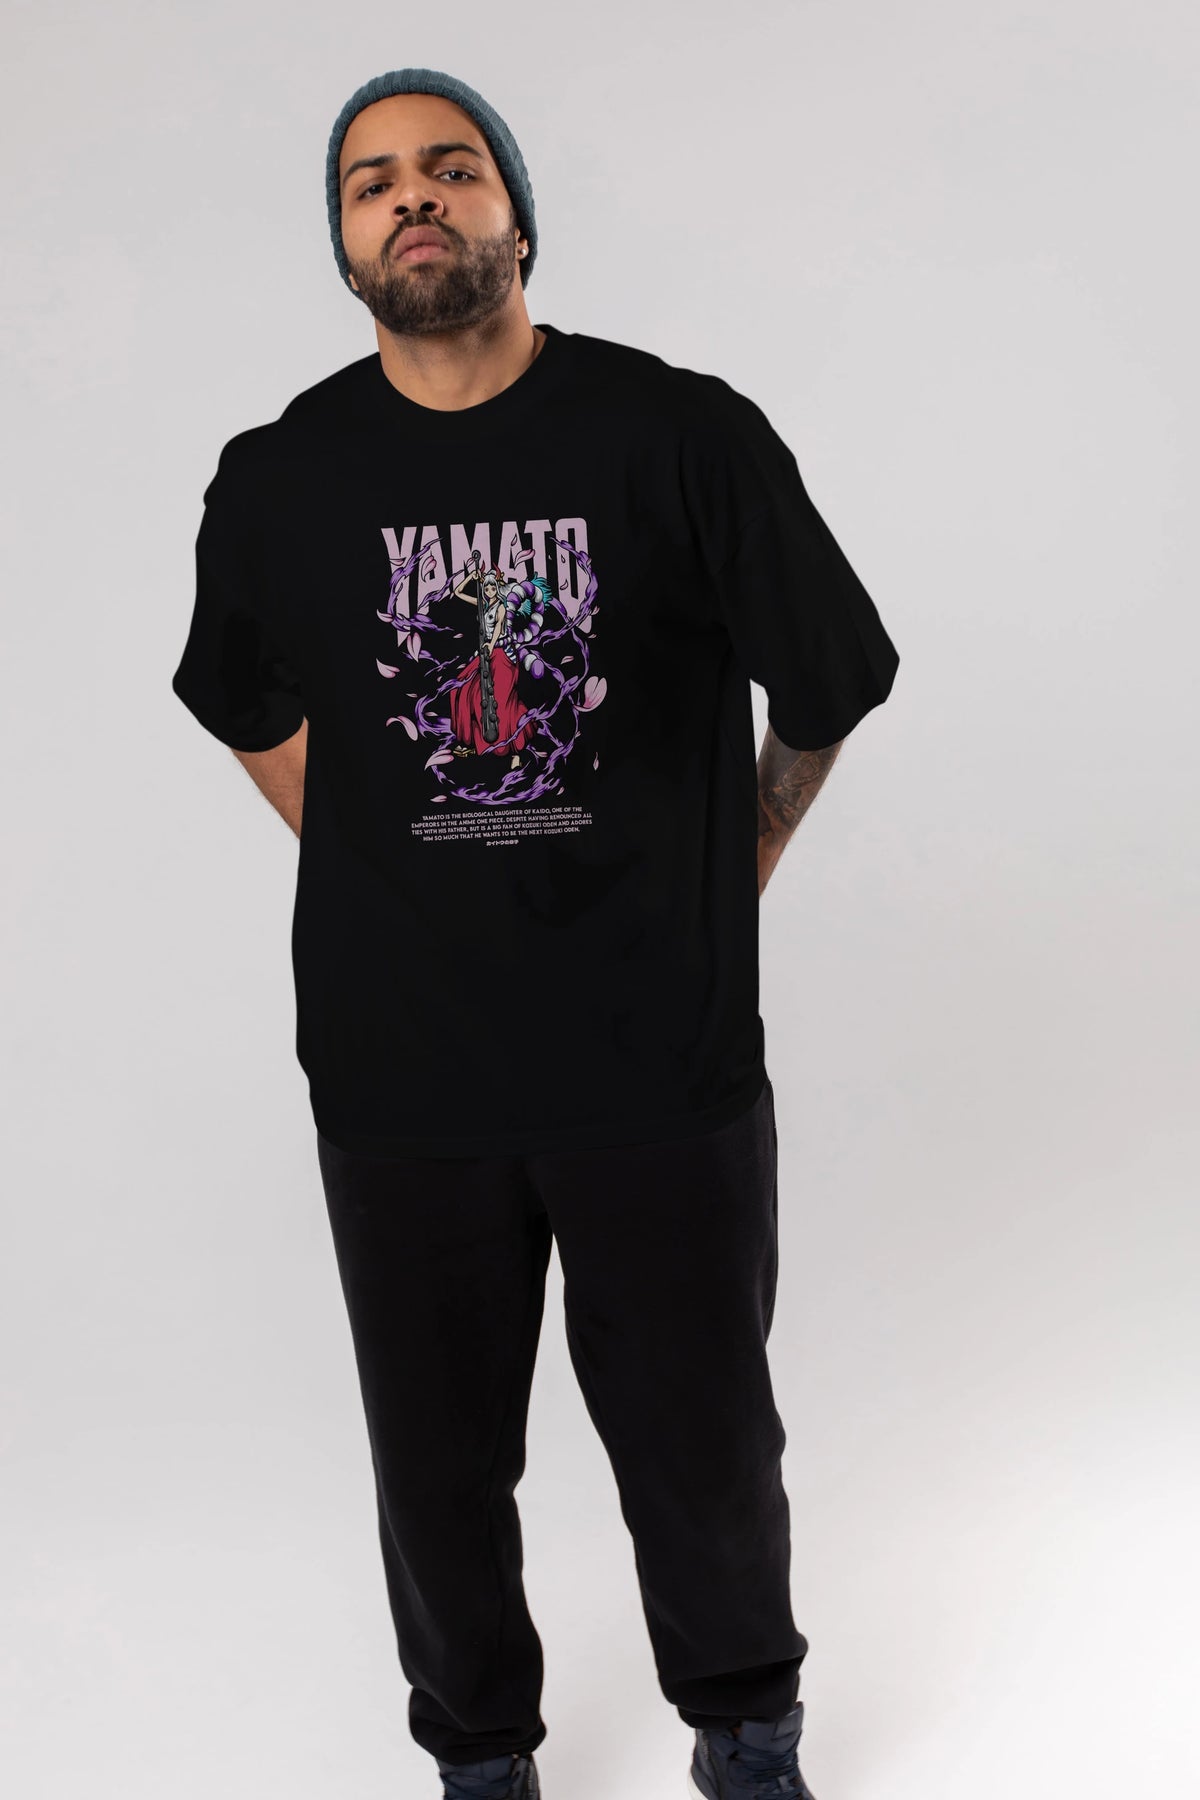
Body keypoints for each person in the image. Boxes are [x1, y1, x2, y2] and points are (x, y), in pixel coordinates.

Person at [170, 66, 900, 1800]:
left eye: (452, 167)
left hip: (659, 1056)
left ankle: (747, 1731)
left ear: (516, 213)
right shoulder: (280, 477)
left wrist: (746, 853)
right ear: (344, 243)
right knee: (435, 1468)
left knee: (704, 1441)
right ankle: (481, 1758)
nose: (413, 197)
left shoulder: (680, 436)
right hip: (402, 1070)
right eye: (372, 183)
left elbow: (829, 676)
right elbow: (244, 701)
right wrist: (382, 858)